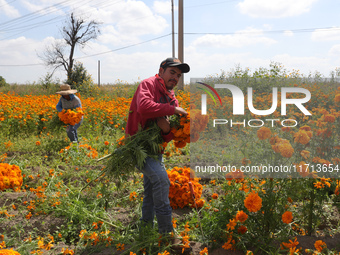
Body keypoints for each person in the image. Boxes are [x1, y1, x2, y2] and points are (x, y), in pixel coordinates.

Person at [125, 57, 190, 247]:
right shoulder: (147, 84)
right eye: (172, 72)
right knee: (162, 180)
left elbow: (172, 135)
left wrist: (166, 130)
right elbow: (144, 107)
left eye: (178, 75)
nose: (175, 78)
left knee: (151, 189)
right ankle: (166, 234)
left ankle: (145, 229)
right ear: (161, 71)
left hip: (156, 150)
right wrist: (173, 110)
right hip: (137, 147)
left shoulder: (171, 97)